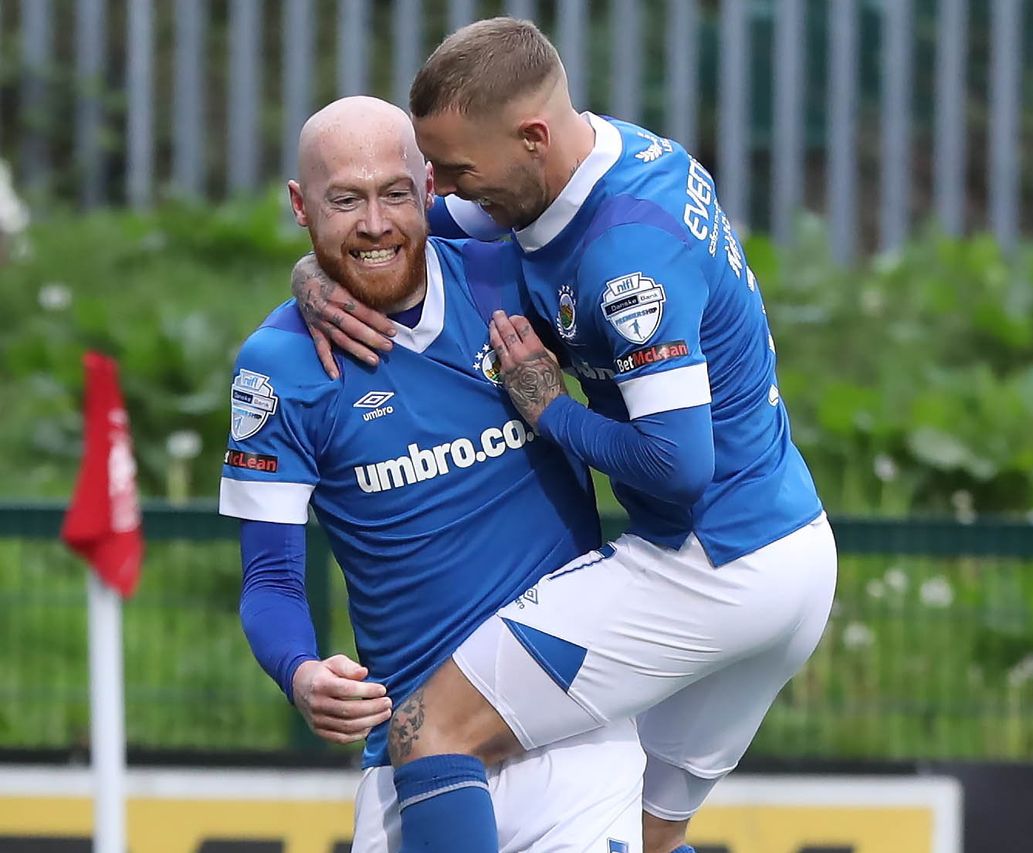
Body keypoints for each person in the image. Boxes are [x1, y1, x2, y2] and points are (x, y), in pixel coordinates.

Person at [292, 18, 838, 853]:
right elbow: (407, 241)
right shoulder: (601, 160)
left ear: (531, 138)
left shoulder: (624, 259)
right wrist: (312, 274)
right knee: (648, 838)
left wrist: (550, 410)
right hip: (793, 552)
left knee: (426, 730)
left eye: (455, 169)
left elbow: (678, 469)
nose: (438, 188)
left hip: (713, 559)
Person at [221, 95, 644, 853]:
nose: (376, 223)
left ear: (429, 187)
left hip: (572, 741)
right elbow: (271, 583)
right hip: (415, 759)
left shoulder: (512, 281)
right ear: (299, 204)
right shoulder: (278, 366)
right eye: (344, 199)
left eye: (394, 192)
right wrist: (301, 671)